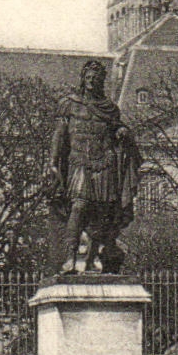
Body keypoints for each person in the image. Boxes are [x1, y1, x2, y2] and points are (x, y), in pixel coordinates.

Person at [44, 59, 140, 273]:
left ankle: (90, 260)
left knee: (103, 215)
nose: (92, 81)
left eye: (96, 78)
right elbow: (59, 136)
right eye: (89, 77)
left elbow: (116, 129)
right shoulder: (69, 104)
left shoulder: (109, 109)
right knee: (79, 207)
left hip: (104, 162)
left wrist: (121, 132)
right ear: (83, 78)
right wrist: (52, 163)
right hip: (78, 162)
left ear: (101, 82)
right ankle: (70, 259)